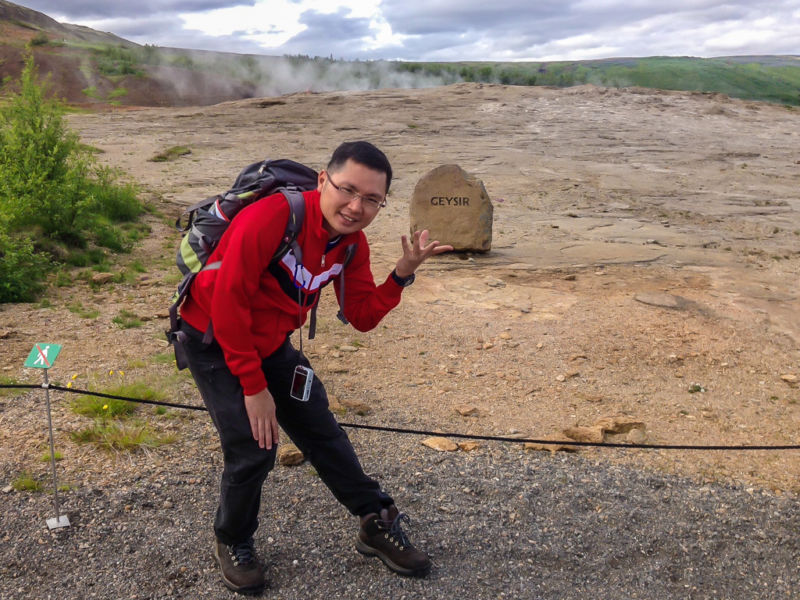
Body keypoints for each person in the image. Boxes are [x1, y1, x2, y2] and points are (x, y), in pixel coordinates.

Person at [177, 141, 453, 594]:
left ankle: (374, 521)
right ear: (323, 180)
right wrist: (253, 387)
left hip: (269, 344)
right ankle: (233, 540)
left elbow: (362, 316)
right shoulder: (271, 218)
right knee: (253, 446)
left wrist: (401, 273)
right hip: (213, 339)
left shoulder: (349, 245)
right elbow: (228, 304)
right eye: (348, 190)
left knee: (322, 431)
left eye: (371, 200)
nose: (356, 206)